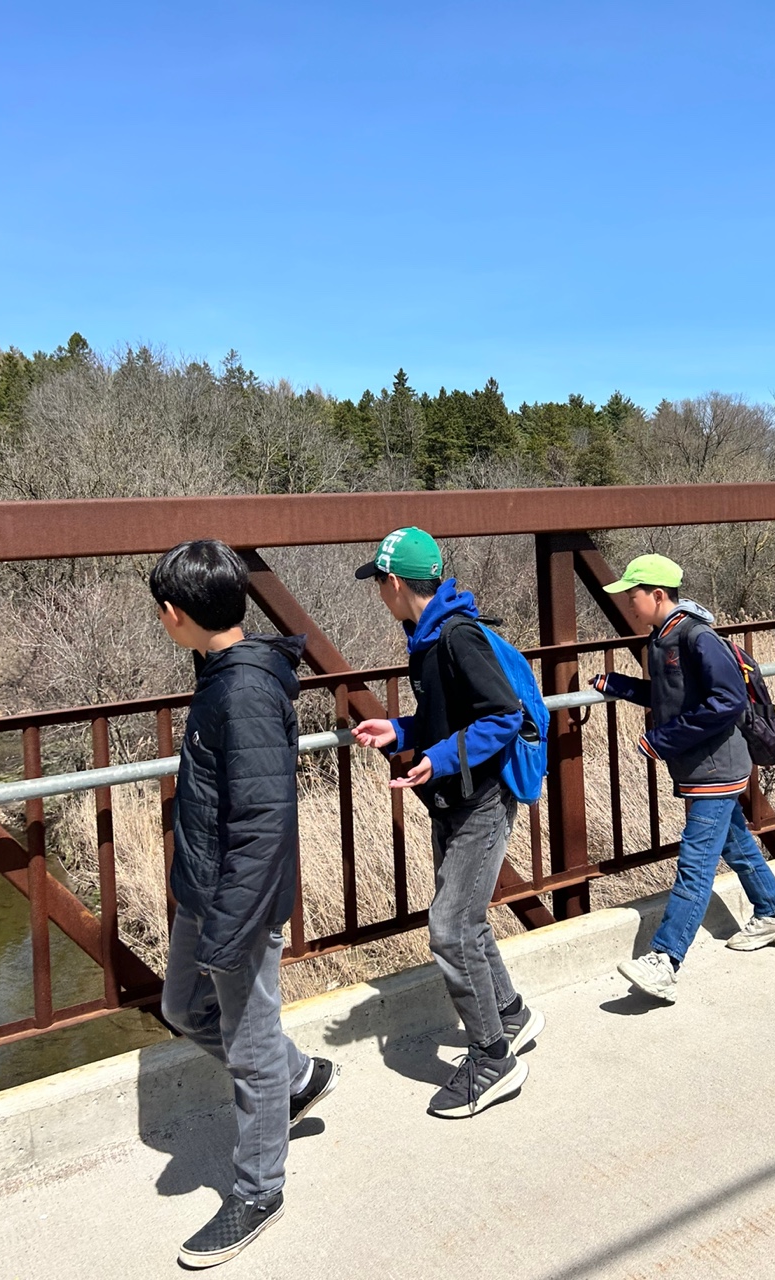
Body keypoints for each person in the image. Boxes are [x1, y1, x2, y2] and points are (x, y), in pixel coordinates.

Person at [150, 539, 339, 1268]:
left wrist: (231, 927)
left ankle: (259, 1190)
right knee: (183, 1007)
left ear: (175, 613)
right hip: (209, 889)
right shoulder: (221, 673)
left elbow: (264, 823)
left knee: (251, 1047)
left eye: (161, 609)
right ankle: (300, 1078)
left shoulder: (244, 692)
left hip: (241, 903)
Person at [352, 526, 544, 1117]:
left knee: (450, 929)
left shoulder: (456, 636)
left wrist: (436, 759)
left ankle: (492, 1060)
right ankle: (511, 1014)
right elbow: (450, 716)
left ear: (393, 582)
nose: (378, 593)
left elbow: (501, 716)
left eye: (378, 582)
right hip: (456, 796)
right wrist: (400, 730)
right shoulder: (428, 636)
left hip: (480, 800)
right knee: (465, 919)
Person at [591, 554, 775, 1003]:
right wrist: (619, 685)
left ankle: (665, 960)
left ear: (657, 595)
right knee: (735, 843)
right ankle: (772, 912)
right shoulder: (662, 637)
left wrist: (661, 741)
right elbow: (673, 696)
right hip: (704, 767)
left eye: (632, 595)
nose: (629, 604)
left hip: (717, 767)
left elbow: (727, 701)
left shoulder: (696, 636)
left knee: (696, 863)